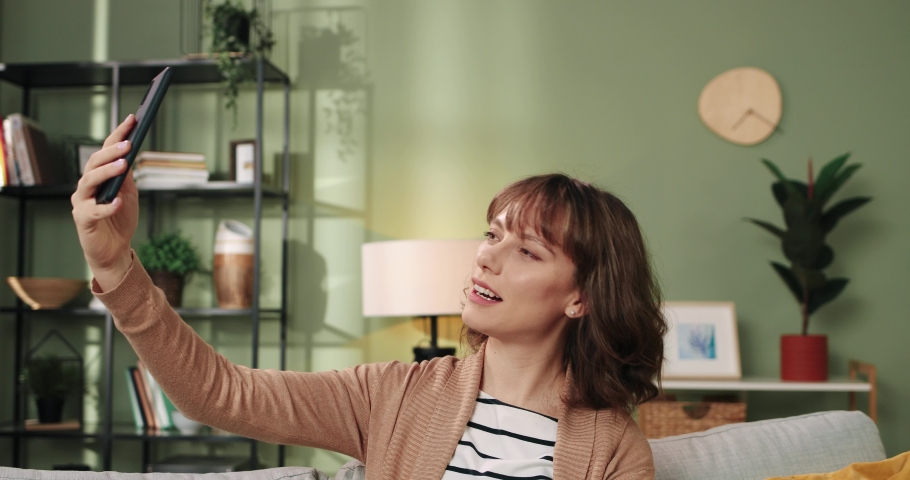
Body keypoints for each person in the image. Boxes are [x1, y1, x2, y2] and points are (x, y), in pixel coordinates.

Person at [73, 115, 667, 480]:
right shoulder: (395, 395)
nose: (487, 255)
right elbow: (219, 393)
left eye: (528, 251)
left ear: (581, 299)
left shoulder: (613, 451)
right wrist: (113, 264)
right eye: (492, 234)